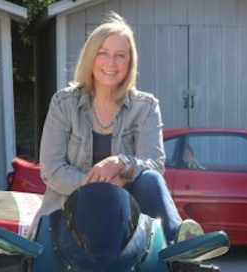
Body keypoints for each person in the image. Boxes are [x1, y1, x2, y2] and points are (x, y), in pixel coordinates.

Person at [38, 12, 195, 242]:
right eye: (103, 53)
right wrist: (99, 186)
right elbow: (51, 168)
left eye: (120, 55)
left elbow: (155, 162)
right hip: (69, 215)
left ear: (130, 62)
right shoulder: (64, 103)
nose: (111, 63)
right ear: (91, 57)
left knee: (150, 178)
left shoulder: (146, 106)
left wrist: (121, 163)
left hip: (124, 219)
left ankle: (180, 245)